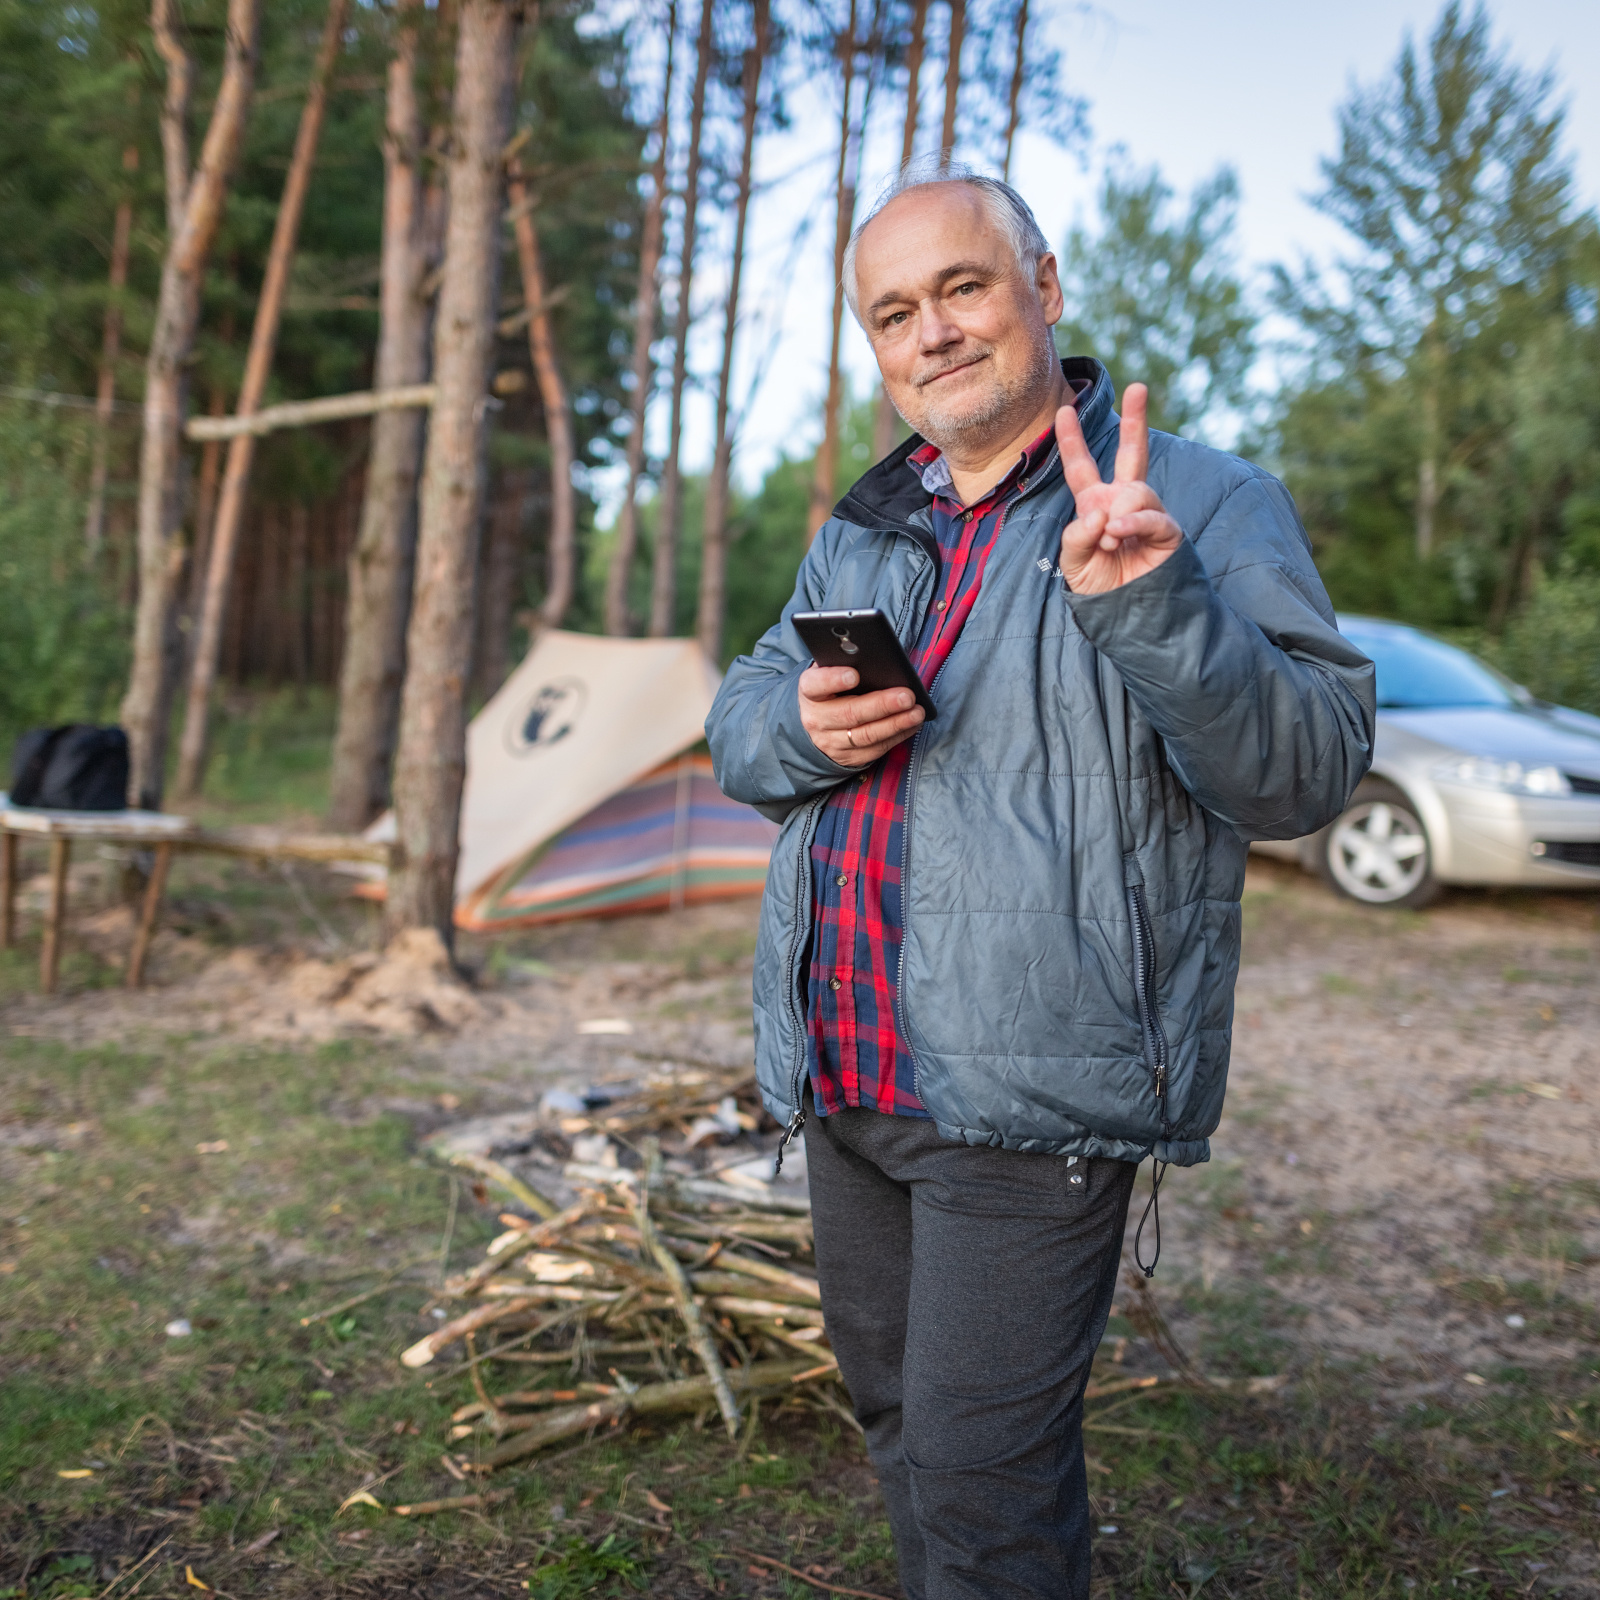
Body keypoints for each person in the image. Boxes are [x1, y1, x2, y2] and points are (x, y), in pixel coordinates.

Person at [704, 158, 1374, 1600]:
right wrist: (798, 727)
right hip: (850, 1067)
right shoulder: (865, 525)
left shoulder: (1196, 497)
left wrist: (1154, 604)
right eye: (894, 313)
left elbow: (1308, 769)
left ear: (1043, 290)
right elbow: (742, 719)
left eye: (962, 287)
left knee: (982, 1473)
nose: (932, 333)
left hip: (1034, 1090)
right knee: (904, 1427)